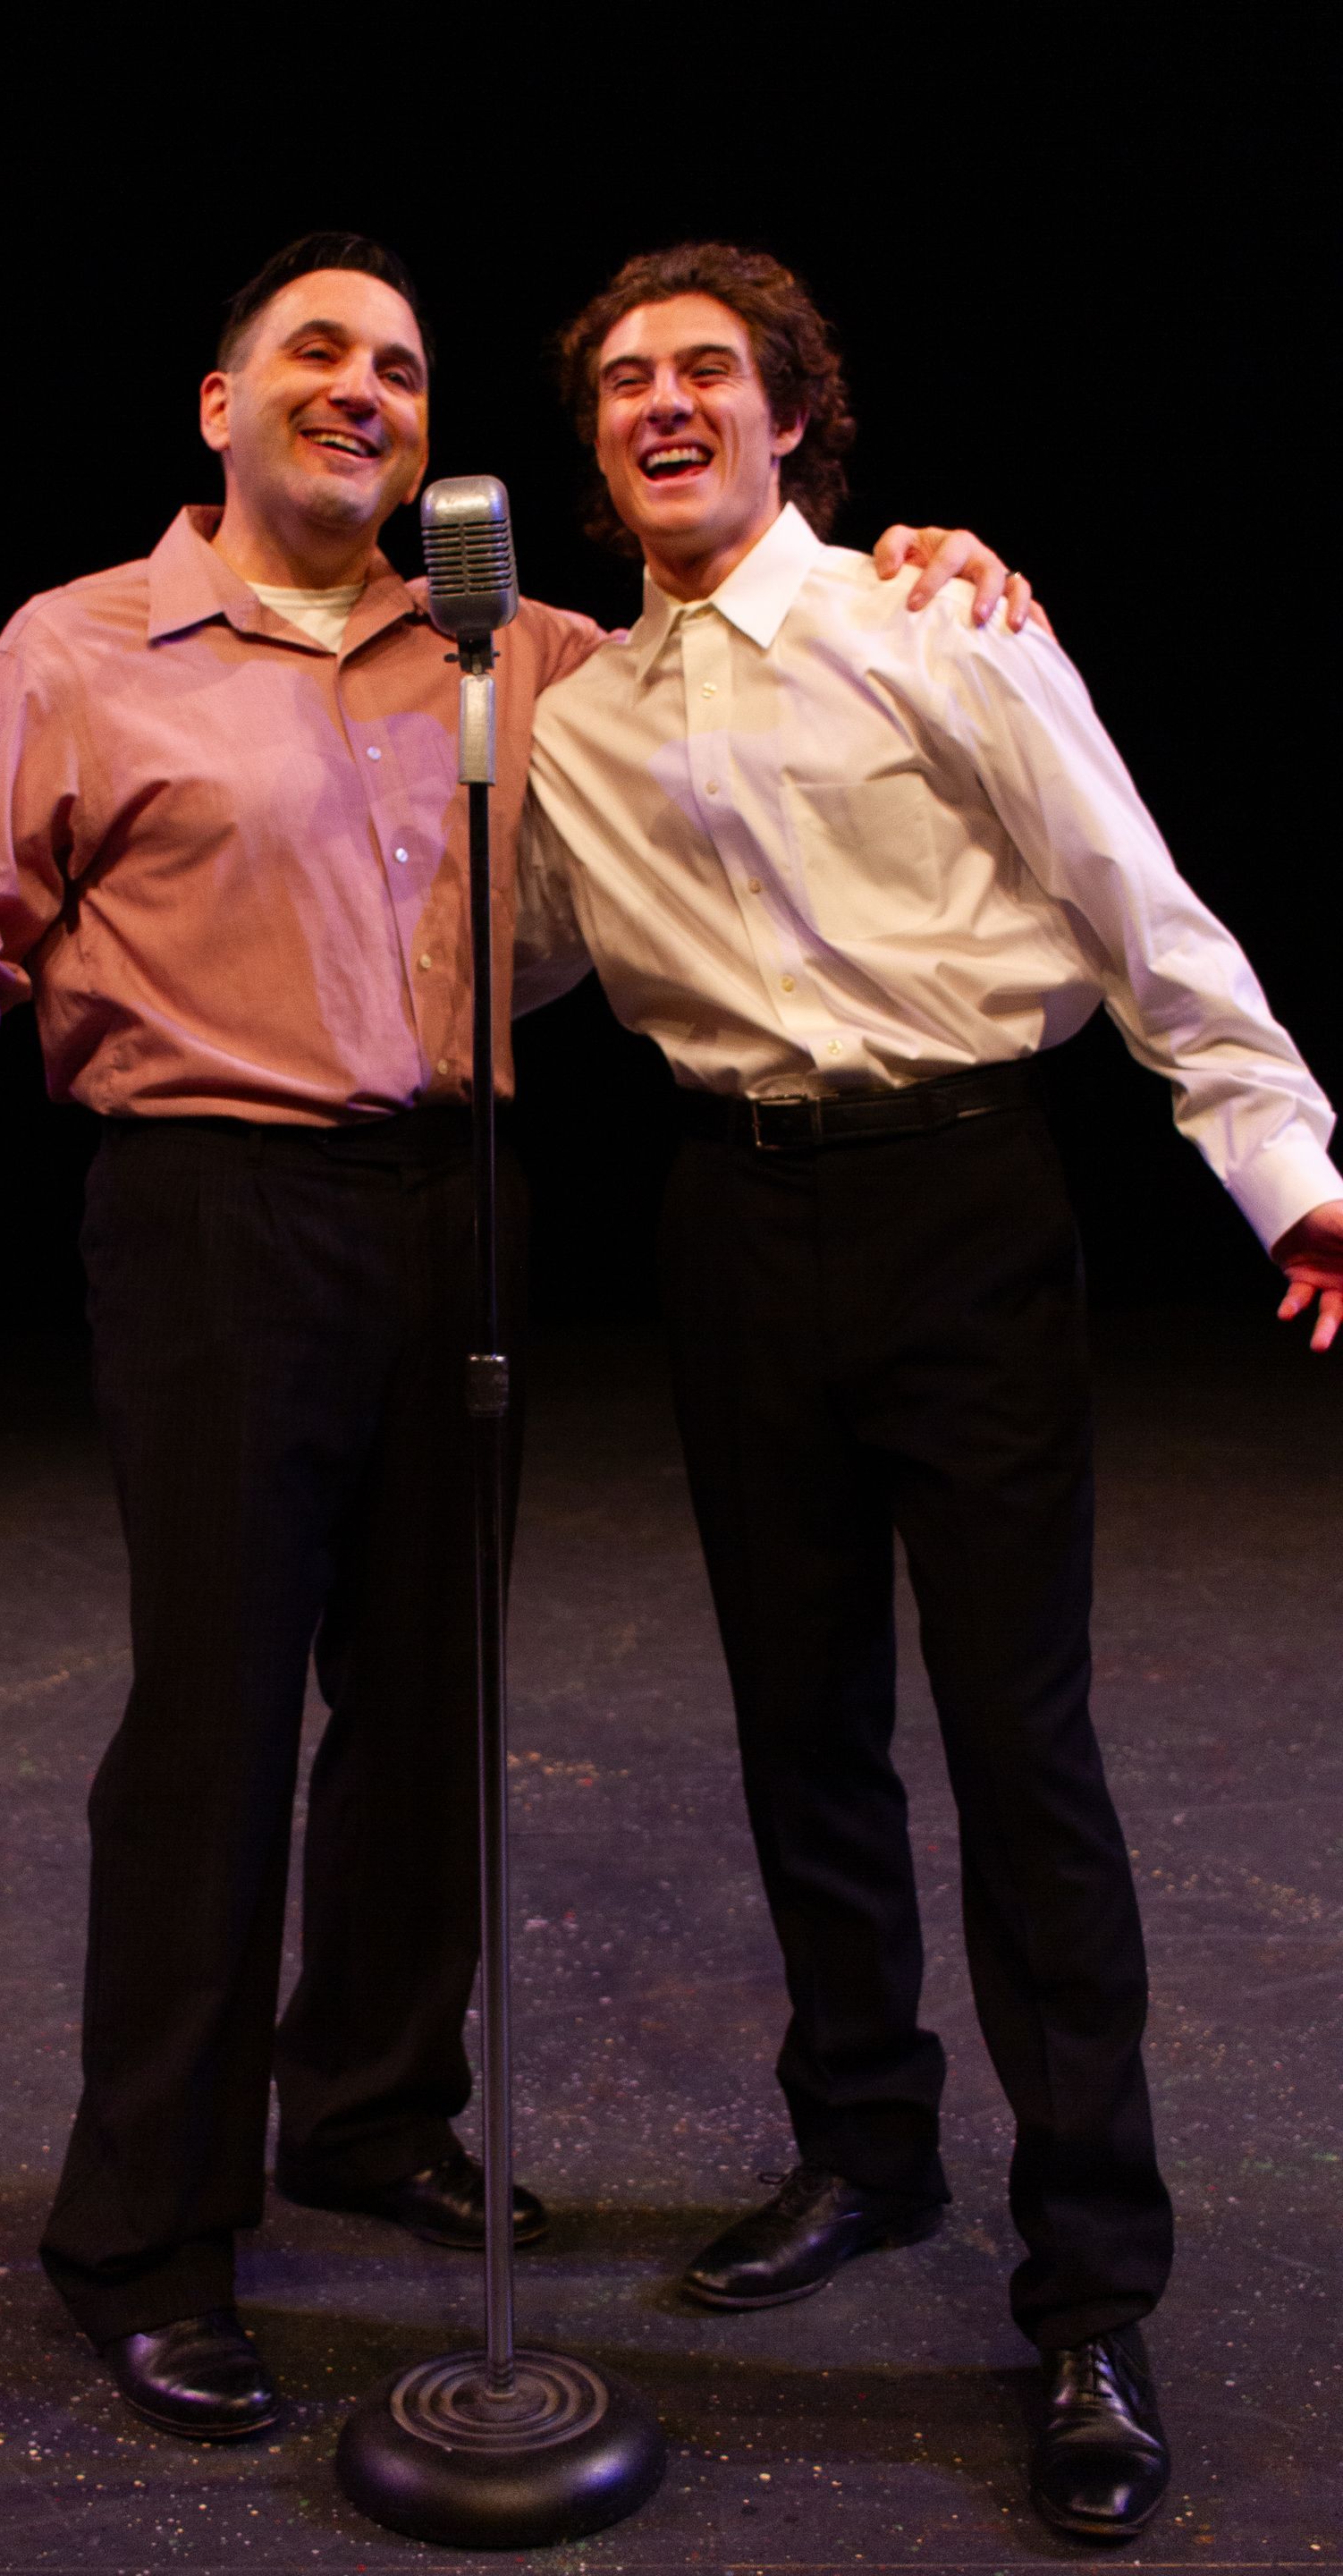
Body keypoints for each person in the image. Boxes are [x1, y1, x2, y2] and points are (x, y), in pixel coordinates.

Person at [0, 231, 1026, 2446]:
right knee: (213, 1727)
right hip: (219, 1212)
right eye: (315, 352)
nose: (366, 388)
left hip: (461, 1212)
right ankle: (144, 2232)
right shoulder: (81, 646)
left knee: (426, 1703)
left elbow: (745, 630)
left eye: (399, 368)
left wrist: (925, 557)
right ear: (214, 409)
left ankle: (373, 2114)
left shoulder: (517, 647)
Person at [517, 242, 1342, 2546]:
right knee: (802, 1733)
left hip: (963, 1209)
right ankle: (865, 2152)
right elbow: (497, 962)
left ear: (794, 420)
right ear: (595, 449)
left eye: (707, 372)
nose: (662, 403)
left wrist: (1287, 1168)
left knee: (1019, 1750)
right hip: (726, 1224)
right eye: (622, 382)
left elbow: (1130, 895)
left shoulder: (936, 618)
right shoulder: (570, 713)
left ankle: (1089, 2286)